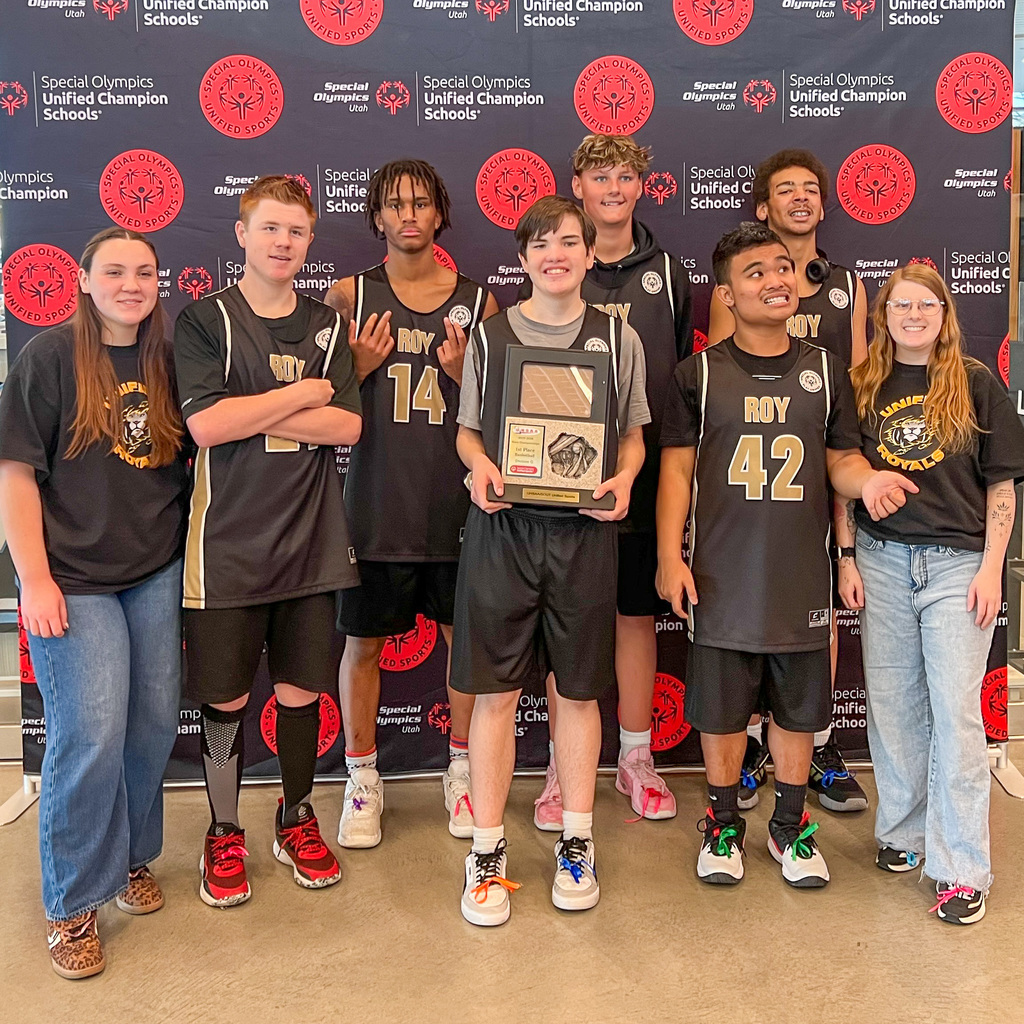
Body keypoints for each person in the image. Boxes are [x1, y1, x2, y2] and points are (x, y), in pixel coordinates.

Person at [657, 222, 916, 889]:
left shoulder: (827, 372)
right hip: (720, 574)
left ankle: (790, 826)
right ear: (726, 294)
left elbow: (841, 461)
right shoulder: (698, 374)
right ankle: (722, 824)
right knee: (721, 713)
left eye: (782, 268)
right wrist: (668, 556)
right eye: (756, 273)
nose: (775, 280)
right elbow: (676, 473)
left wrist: (869, 482)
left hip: (800, 574)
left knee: (799, 713)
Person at [452, 195, 649, 925]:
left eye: (569, 241)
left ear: (590, 254)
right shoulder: (492, 335)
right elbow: (468, 432)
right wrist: (478, 467)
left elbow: (632, 436)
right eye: (540, 243)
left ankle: (577, 839)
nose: (555, 254)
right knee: (496, 696)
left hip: (583, 533)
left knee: (578, 692)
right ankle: (487, 850)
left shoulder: (618, 336)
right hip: (504, 532)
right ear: (523, 257)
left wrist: (625, 479)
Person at [0, 227, 188, 978]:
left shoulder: (169, 357)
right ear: (83, 280)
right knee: (91, 732)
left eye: (144, 272)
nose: (130, 285)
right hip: (72, 578)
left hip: (155, 570)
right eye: (114, 271)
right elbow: (15, 475)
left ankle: (131, 858)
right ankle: (72, 901)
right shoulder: (47, 358)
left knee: (153, 721)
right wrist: (34, 578)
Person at [174, 176, 362, 908]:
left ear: (310, 239)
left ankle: (295, 816)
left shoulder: (326, 325)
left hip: (311, 544)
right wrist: (303, 395)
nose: (284, 242)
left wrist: (252, 409)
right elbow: (207, 426)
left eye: (296, 231)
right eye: (271, 228)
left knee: (300, 693)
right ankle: (224, 830)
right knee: (224, 702)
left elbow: (348, 427)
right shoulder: (206, 319)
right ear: (242, 234)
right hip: (225, 548)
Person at [835, 264, 1024, 924]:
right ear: (882, 315)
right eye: (901, 305)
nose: (913, 315)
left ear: (945, 315)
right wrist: (847, 556)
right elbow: (842, 478)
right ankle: (904, 831)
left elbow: (1002, 485)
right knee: (893, 705)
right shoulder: (861, 383)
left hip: (957, 566)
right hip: (882, 561)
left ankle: (961, 868)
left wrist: (992, 567)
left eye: (927, 304)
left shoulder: (975, 382)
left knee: (955, 712)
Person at [520, 134, 693, 826]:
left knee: (634, 616)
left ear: (642, 186)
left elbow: (682, 379)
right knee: (566, 621)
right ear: (578, 186)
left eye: (625, 176)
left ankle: (635, 757)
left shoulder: (668, 272)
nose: (613, 188)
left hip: (640, 473)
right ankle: (563, 771)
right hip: (562, 477)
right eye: (599, 176)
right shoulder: (558, 264)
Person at [325, 160, 498, 847]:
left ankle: (461, 769)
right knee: (362, 644)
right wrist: (357, 369)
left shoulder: (480, 303)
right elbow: (315, 399)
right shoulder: (350, 295)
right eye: (395, 204)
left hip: (455, 508)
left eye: (421, 203)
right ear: (376, 216)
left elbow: (505, 414)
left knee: (464, 648)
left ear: (440, 214)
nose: (408, 215)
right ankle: (362, 777)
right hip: (375, 506)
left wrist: (465, 377)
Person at [709, 148, 870, 814]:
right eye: (785, 189)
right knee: (750, 610)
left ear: (824, 205)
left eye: (810, 188)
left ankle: (819, 745)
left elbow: (857, 384)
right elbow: (722, 379)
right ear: (762, 207)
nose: (800, 197)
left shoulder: (846, 285)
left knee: (817, 611)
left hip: (822, 460)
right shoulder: (742, 283)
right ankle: (752, 747)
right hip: (752, 467)